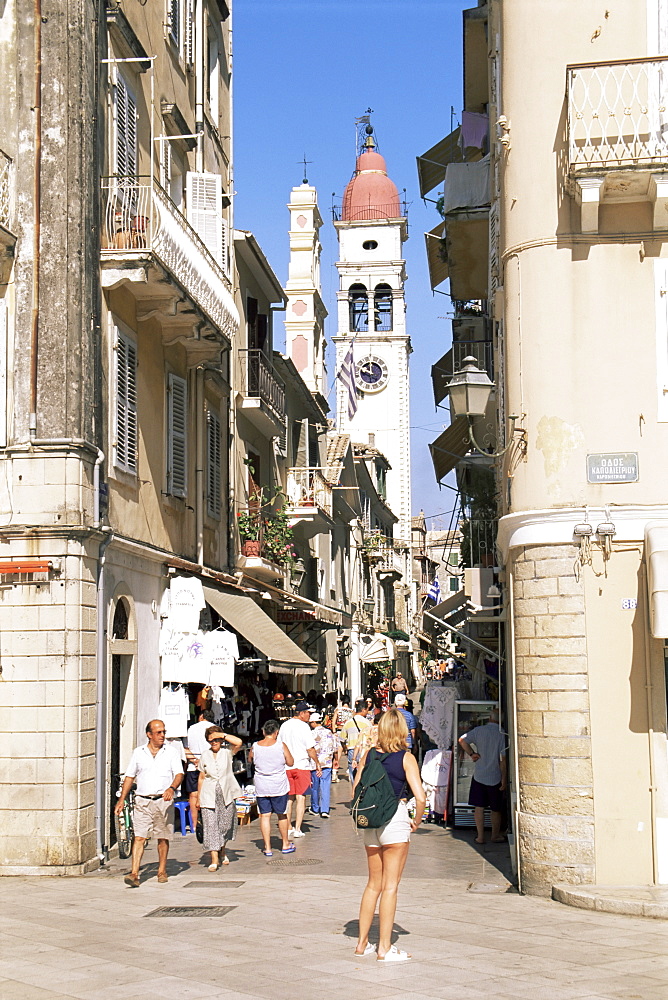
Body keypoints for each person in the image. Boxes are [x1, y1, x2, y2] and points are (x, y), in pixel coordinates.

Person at [354, 708, 426, 962]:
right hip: (394, 820)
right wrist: (416, 821)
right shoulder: (406, 758)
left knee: (373, 884)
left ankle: (362, 943)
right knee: (391, 887)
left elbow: (356, 787)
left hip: (370, 822)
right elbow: (420, 796)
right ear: (402, 731)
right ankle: (384, 946)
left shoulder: (369, 755)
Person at [115, 719, 184, 888]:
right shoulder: (139, 753)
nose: (162, 735)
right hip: (143, 800)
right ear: (149, 734)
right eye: (159, 732)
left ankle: (161, 870)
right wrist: (121, 799)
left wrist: (172, 788)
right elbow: (130, 776)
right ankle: (134, 873)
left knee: (162, 837)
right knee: (139, 837)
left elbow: (179, 773)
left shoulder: (171, 752)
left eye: (163, 732)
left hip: (163, 801)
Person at [196, 725, 243, 869]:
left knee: (225, 824)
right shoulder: (204, 755)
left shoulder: (227, 753)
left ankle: (222, 849)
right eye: (211, 741)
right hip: (208, 794)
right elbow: (201, 776)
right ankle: (214, 859)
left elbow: (238, 742)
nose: (214, 743)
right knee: (211, 826)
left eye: (216, 740)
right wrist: (198, 797)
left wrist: (221, 735)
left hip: (226, 793)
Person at [458, 709, 507, 845]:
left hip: (479, 775)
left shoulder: (479, 730)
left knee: (479, 807)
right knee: (495, 809)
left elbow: (462, 740)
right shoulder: (502, 734)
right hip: (495, 776)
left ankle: (480, 837)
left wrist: (472, 753)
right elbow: (503, 760)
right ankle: (495, 835)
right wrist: (504, 778)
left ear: (490, 718)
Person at [250, 719, 295, 856]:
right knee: (282, 815)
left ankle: (267, 847)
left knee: (265, 815)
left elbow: (250, 759)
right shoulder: (281, 745)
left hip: (262, 785)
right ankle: (285, 844)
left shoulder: (255, 746)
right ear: (276, 733)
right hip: (278, 785)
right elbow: (291, 762)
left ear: (263, 732)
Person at [279, 701, 322, 838]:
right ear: (302, 713)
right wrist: (317, 763)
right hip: (302, 765)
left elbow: (279, 744)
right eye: (308, 713)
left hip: (287, 766)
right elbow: (310, 748)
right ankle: (297, 828)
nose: (309, 715)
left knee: (289, 798)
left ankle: (288, 827)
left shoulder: (284, 725)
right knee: (301, 797)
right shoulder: (304, 727)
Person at [184, 708, 215, 834]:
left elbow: (185, 748)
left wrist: (195, 761)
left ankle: (195, 826)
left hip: (193, 766)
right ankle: (210, 824)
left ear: (201, 716)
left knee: (193, 795)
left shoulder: (191, 728)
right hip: (210, 766)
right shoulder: (215, 728)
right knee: (211, 794)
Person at [307, 712, 340, 817]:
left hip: (314, 764)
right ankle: (325, 810)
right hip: (327, 762)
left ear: (313, 722)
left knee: (315, 787)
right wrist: (336, 760)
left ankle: (315, 808)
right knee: (325, 786)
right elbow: (335, 748)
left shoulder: (311, 734)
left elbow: (309, 749)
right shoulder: (329, 733)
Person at [339, 699, 372, 783]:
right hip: (364, 750)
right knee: (364, 771)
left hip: (351, 749)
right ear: (363, 709)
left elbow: (342, 739)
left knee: (353, 771)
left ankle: (355, 790)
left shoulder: (348, 723)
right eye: (367, 710)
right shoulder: (367, 723)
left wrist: (345, 749)